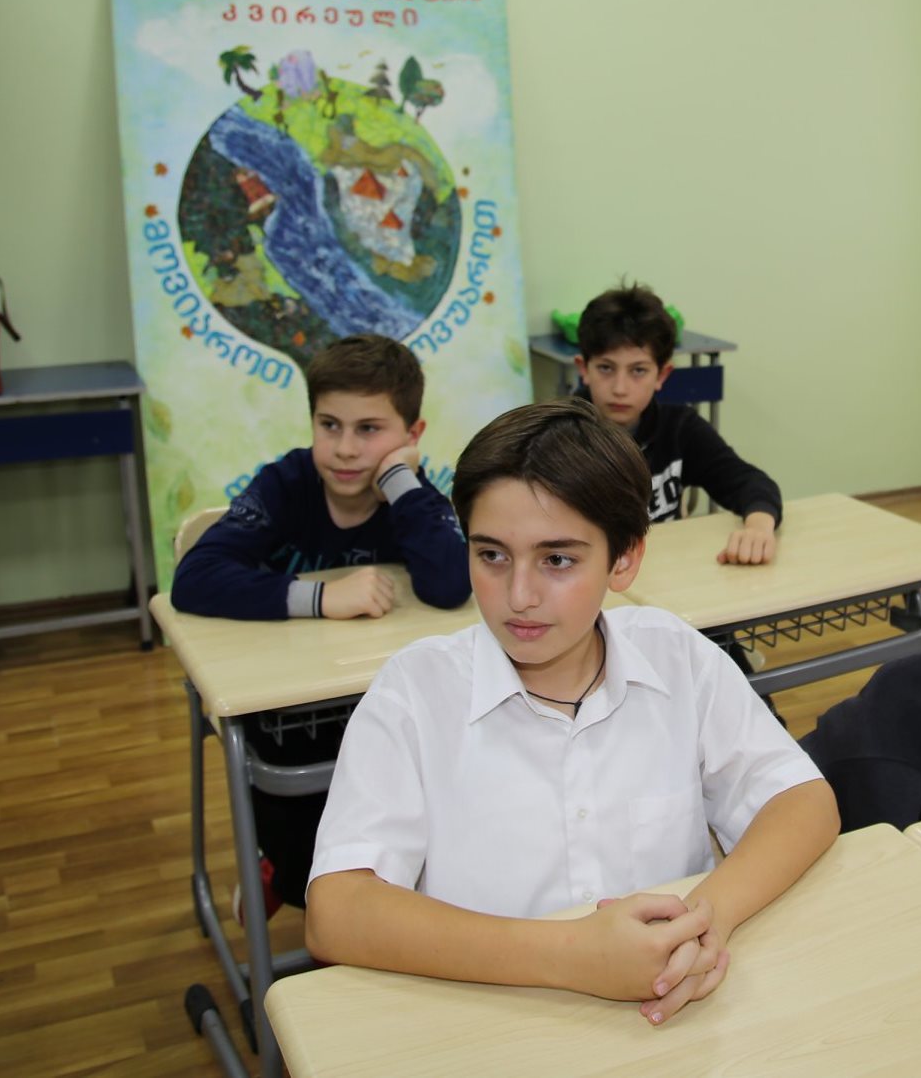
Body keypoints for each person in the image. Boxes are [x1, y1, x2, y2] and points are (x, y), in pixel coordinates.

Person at [304, 398, 839, 1027]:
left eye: (557, 560)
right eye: (491, 555)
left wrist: (702, 922)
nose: (519, 596)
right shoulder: (414, 694)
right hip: (485, 1029)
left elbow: (803, 802)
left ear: (625, 559)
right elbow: (337, 910)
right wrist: (570, 956)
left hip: (674, 1019)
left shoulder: (677, 659)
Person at [171, 333, 468, 919]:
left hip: (380, 699)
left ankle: (378, 888)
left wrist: (399, 480)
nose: (345, 449)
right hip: (288, 712)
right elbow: (194, 578)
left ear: (412, 435)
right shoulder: (284, 485)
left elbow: (451, 585)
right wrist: (320, 597)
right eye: (329, 426)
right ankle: (287, 872)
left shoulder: (411, 497)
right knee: (300, 827)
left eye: (369, 429)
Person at [573, 282, 782, 565]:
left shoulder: (679, 428)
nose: (620, 388)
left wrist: (758, 529)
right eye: (606, 368)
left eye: (638, 370)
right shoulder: (557, 435)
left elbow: (749, 482)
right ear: (584, 369)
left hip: (665, 570)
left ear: (662, 375)